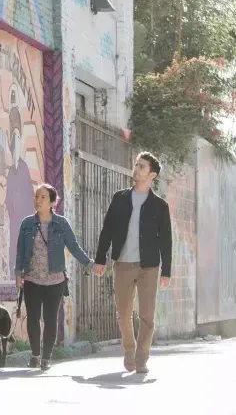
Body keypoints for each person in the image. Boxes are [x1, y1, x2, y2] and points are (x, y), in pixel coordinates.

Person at [93, 152, 172, 374]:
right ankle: (129, 349)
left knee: (147, 315)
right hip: (123, 263)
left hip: (149, 265)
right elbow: (107, 229)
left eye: (142, 166)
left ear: (152, 174)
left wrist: (166, 271)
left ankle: (142, 358)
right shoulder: (120, 198)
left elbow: (166, 239)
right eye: (136, 165)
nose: (136, 169)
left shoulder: (160, 206)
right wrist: (101, 259)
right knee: (123, 312)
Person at [15, 183, 93, 371]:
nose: (38, 200)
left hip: (55, 281)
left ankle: (46, 358)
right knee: (33, 319)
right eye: (36, 197)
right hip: (32, 280)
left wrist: (89, 263)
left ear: (51, 201)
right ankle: (35, 354)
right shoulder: (27, 223)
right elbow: (20, 251)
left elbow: (73, 247)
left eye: (42, 197)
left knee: (50, 320)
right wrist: (19, 274)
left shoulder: (61, 224)